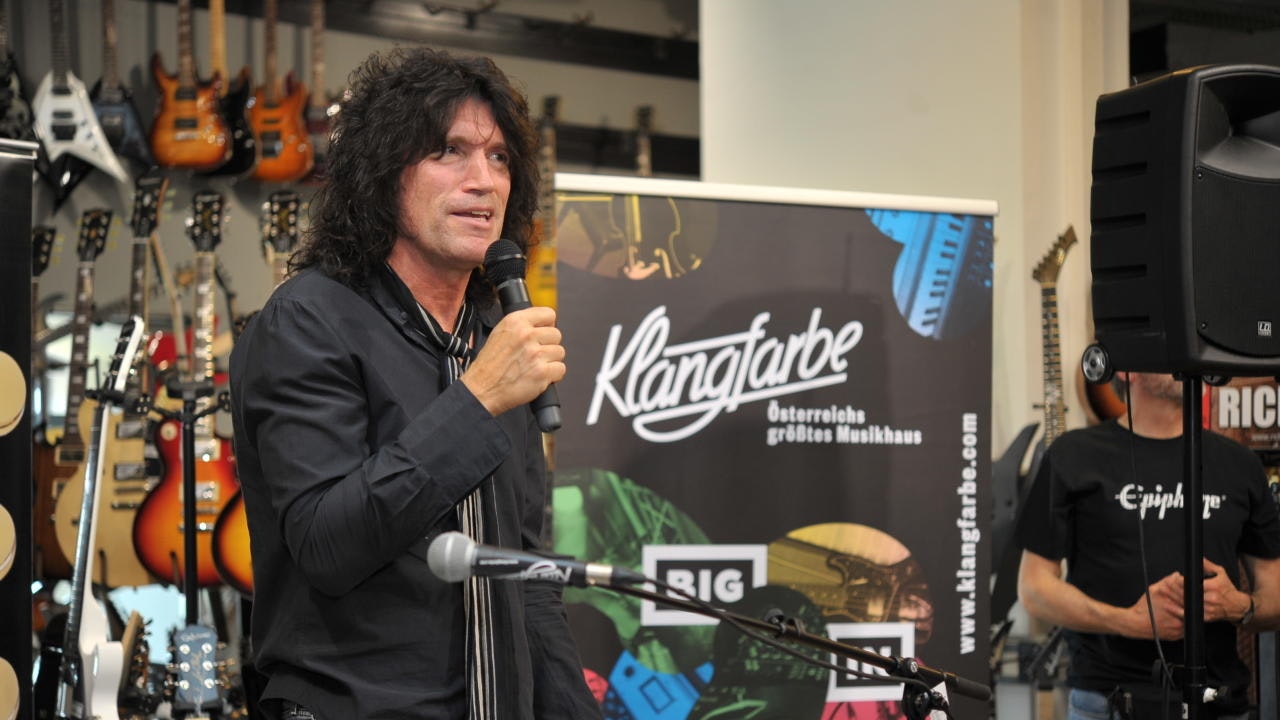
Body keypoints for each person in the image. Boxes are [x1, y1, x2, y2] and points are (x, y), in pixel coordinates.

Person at [229, 47, 601, 720]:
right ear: (383, 173)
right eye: (449, 152)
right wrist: (477, 401)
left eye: (498, 158)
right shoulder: (307, 321)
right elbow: (327, 544)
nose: (483, 181)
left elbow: (527, 575)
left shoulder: (494, 334)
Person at [1017, 371, 1280, 720]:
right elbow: (1034, 589)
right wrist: (1128, 621)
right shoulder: (1073, 455)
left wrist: (1239, 606)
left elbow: (1275, 595)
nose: (1184, 358)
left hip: (1218, 702)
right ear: (1127, 371)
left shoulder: (1240, 463)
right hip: (1107, 702)